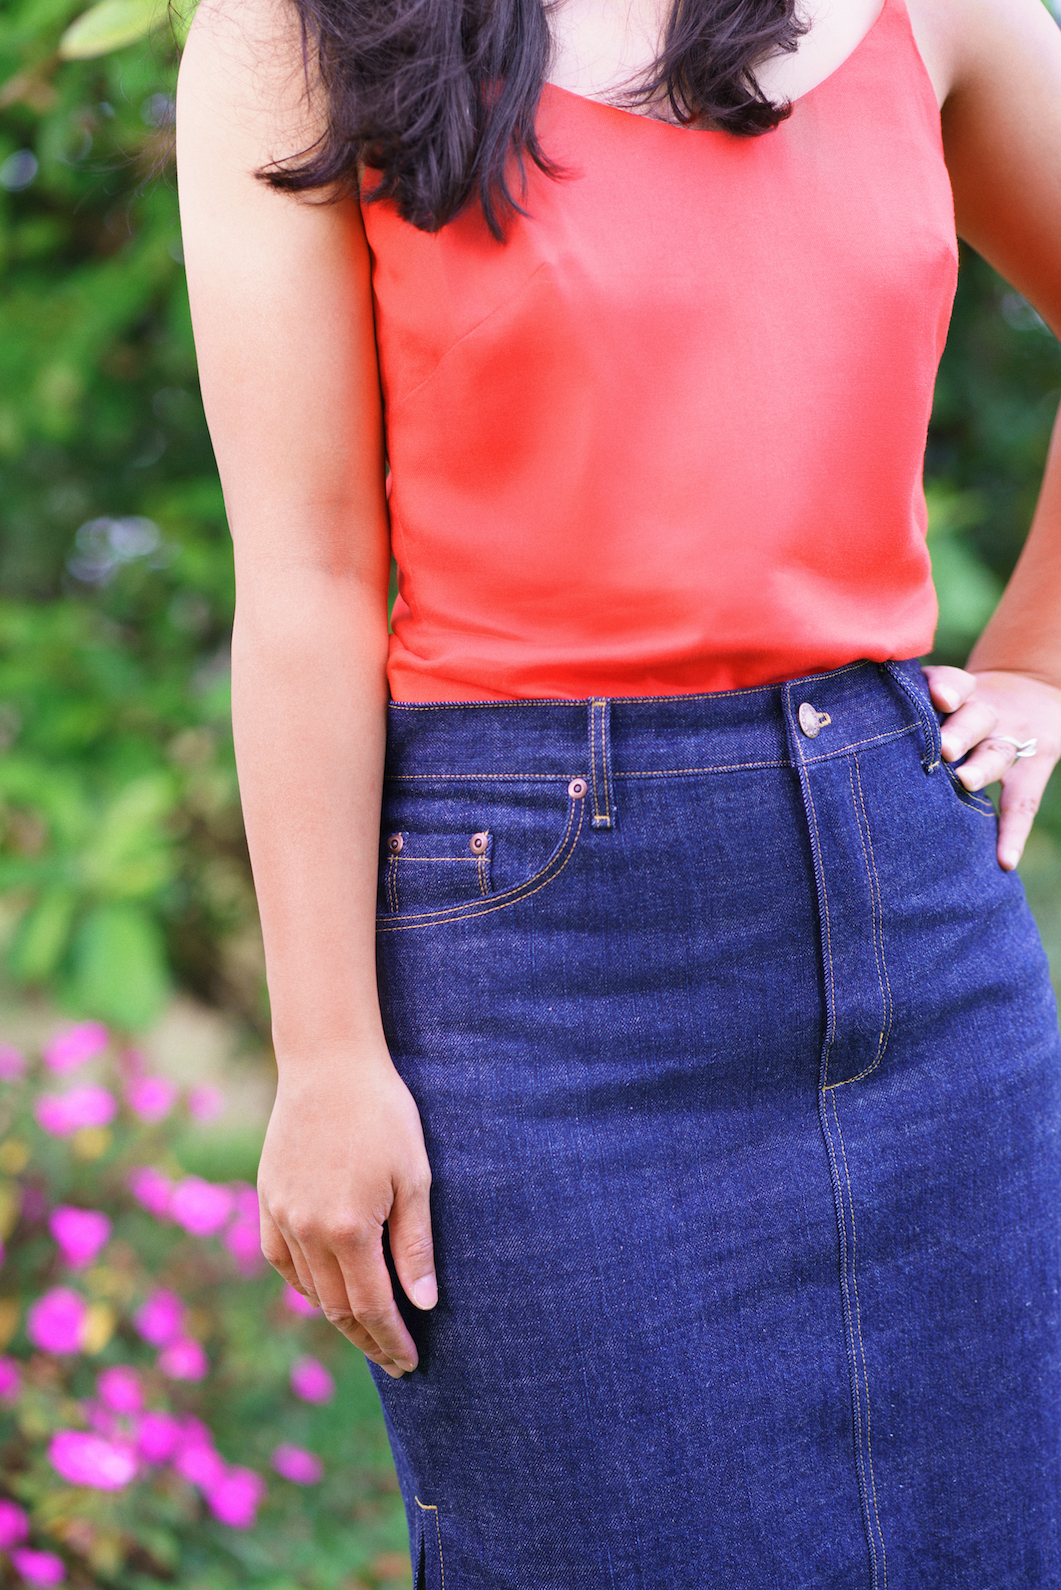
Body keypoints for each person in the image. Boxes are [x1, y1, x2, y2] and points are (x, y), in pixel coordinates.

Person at [175, 0, 1061, 1579]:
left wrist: (1038, 664)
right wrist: (324, 1053)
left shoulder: (947, 12)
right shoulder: (297, 30)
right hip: (534, 959)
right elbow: (305, 576)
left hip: (915, 937)